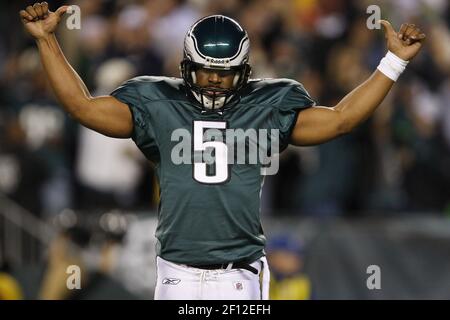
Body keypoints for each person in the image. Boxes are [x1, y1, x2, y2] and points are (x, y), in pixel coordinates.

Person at [19, 2, 426, 300]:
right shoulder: (158, 102)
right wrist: (47, 40)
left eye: (225, 73)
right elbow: (82, 106)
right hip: (176, 272)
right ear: (186, 67)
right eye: (206, 71)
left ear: (244, 71)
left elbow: (340, 119)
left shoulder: (267, 104)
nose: (214, 81)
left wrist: (393, 62)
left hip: (239, 276)